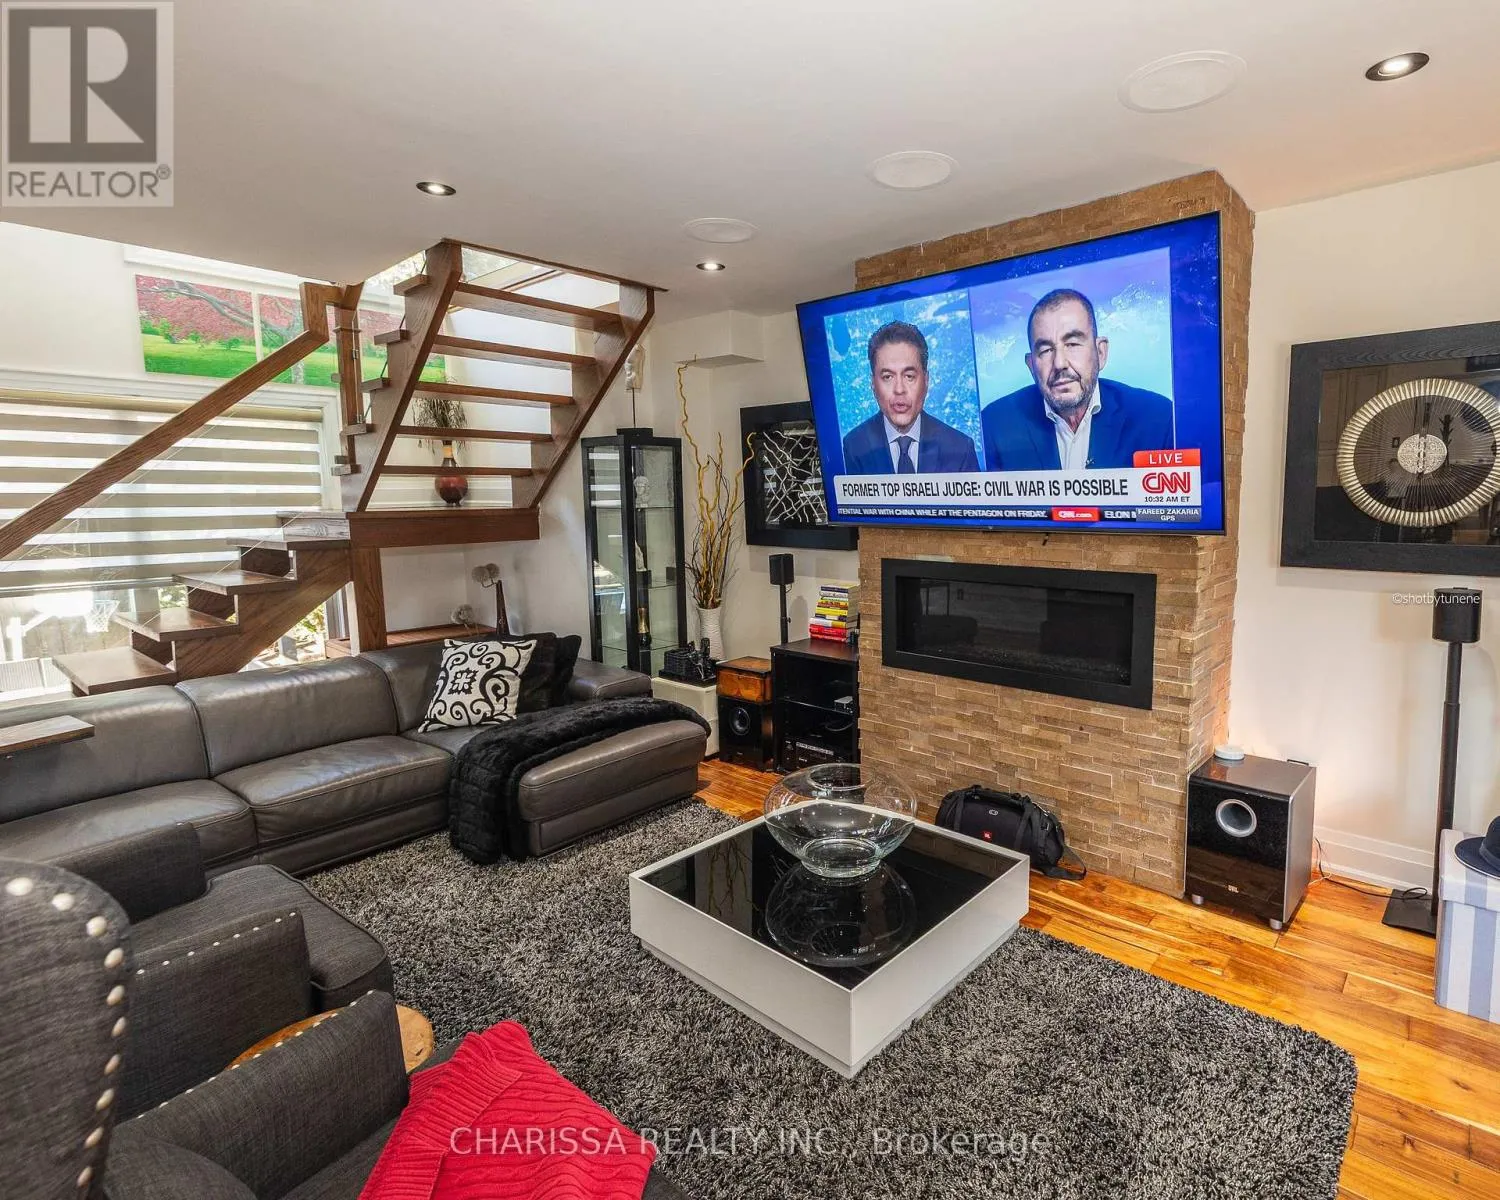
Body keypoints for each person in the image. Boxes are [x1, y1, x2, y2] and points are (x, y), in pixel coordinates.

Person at [981, 289, 1173, 472]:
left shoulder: (1158, 418)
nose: (1059, 363)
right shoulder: (995, 423)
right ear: (1031, 366)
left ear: (1100, 353)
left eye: (1072, 344)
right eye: (1046, 350)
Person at [841, 321, 980, 475]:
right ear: (873, 384)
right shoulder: (854, 446)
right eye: (887, 377)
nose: (899, 389)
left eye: (909, 376)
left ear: (926, 380)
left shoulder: (960, 449)